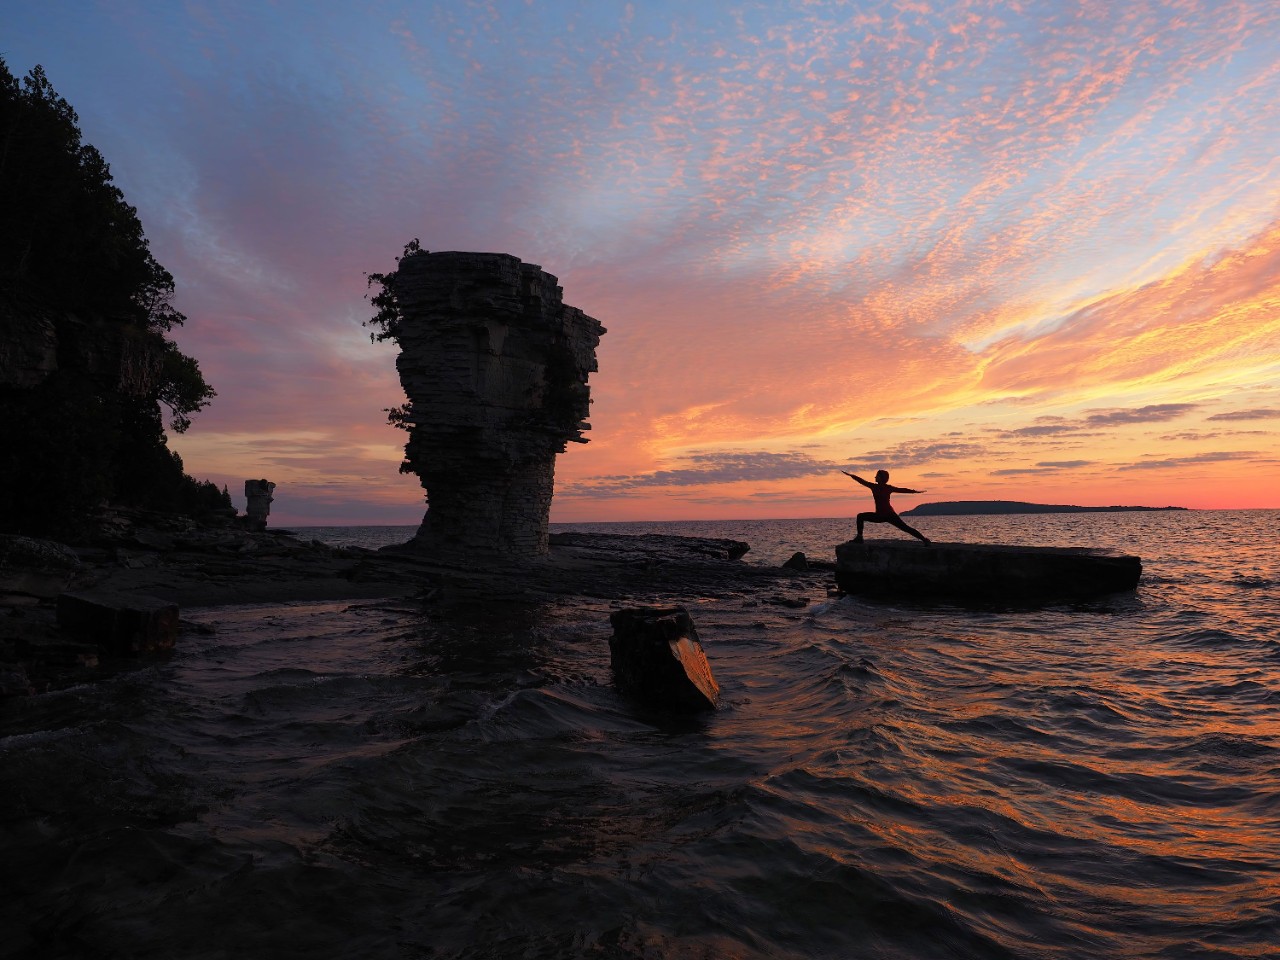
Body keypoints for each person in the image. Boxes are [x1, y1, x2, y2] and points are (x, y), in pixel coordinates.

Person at [842, 469, 930, 543]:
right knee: (860, 516)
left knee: (906, 528)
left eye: (877, 476)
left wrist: (914, 491)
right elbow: (861, 481)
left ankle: (924, 540)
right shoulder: (882, 487)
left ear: (881, 478)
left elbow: (902, 490)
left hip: (885, 515)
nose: (875, 477)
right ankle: (859, 538)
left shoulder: (876, 487)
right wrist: (851, 475)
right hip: (884, 515)